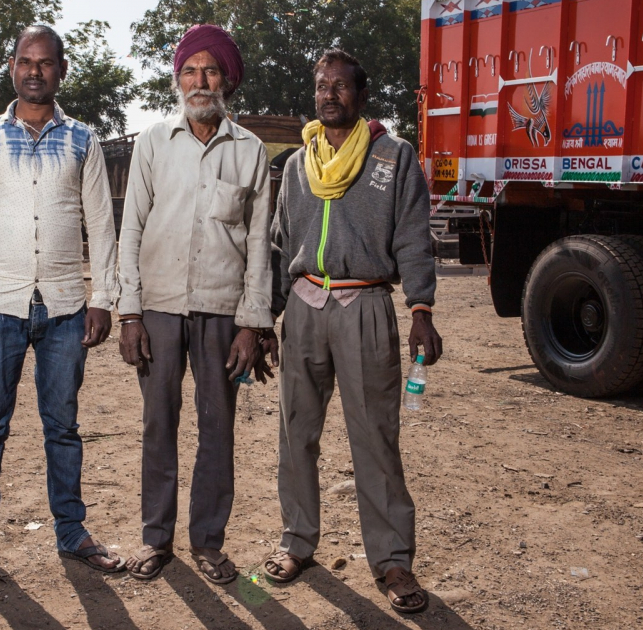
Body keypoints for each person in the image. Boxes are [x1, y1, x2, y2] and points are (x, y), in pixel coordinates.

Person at [262, 49, 443, 615]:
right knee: (296, 435)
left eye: (341, 86)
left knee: (375, 439)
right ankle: (297, 542)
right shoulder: (297, 165)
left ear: (361, 96)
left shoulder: (394, 156)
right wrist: (264, 320)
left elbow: (414, 235)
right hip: (304, 304)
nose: (329, 94)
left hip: (365, 305)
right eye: (321, 85)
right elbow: (276, 244)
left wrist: (421, 310)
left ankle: (392, 561)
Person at [0, 24, 123, 587]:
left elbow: (101, 223)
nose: (34, 71)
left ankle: (71, 531)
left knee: (62, 427)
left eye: (45, 63)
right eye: (25, 61)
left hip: (67, 306)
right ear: (13, 67)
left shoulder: (83, 140)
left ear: (60, 71)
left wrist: (102, 298)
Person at [117, 24, 273, 585]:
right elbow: (130, 227)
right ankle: (155, 538)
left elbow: (258, 245)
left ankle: (208, 541)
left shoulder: (250, 150)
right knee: (159, 423)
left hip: (221, 312)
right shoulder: (153, 142)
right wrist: (128, 312)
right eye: (189, 71)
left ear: (227, 80)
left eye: (210, 71)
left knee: (217, 427)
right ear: (177, 80)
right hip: (158, 306)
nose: (199, 81)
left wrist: (253, 323)